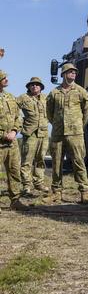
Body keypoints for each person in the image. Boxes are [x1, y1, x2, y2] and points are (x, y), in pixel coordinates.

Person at [46, 62, 88, 203]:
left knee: (78, 162)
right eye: (70, 71)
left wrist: (79, 125)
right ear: (63, 74)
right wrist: (56, 124)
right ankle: (56, 192)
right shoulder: (54, 93)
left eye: (74, 72)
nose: (73, 74)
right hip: (58, 134)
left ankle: (84, 192)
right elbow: (49, 112)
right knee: (56, 163)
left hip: (75, 133)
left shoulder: (80, 91)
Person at [0, 70, 30, 211]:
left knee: (14, 171)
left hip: (12, 143)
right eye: (3, 78)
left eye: (6, 77)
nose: (6, 80)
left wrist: (14, 131)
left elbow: (18, 117)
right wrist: (2, 135)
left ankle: (15, 201)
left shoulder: (10, 97)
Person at [16, 77, 50, 196]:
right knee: (27, 160)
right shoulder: (23, 98)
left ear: (41, 87)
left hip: (43, 133)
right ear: (29, 87)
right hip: (30, 134)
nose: (34, 86)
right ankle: (26, 185)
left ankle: (39, 183)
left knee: (40, 159)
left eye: (37, 84)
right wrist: (19, 121)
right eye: (32, 85)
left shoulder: (47, 98)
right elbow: (13, 108)